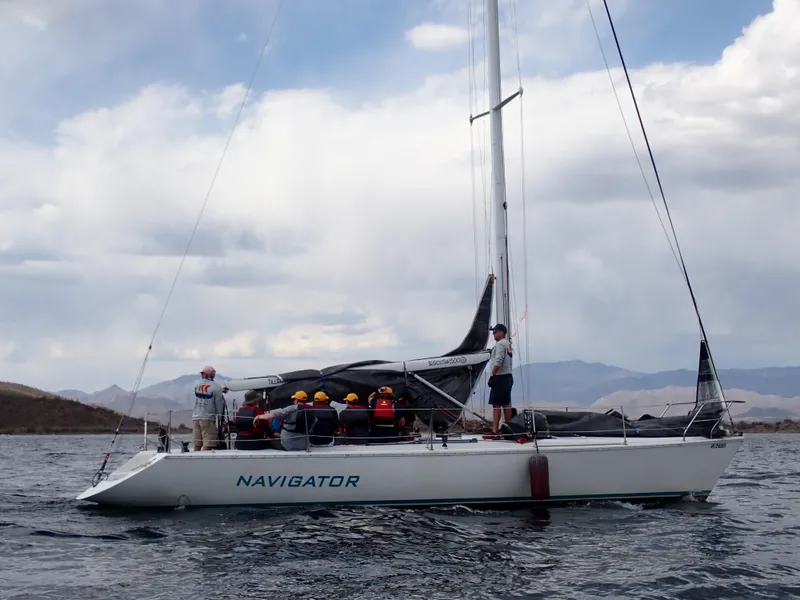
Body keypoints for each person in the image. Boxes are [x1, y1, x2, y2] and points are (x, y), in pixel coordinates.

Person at [488, 324, 514, 435]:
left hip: (500, 376)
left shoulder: (499, 345)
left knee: (497, 405)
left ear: (502, 332)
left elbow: (498, 359)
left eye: (495, 331)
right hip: (508, 376)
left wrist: (493, 374)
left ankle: (495, 430)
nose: (493, 333)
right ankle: (509, 428)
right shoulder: (508, 344)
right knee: (505, 403)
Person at [192, 365, 225, 451]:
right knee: (208, 444)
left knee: (197, 444)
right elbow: (219, 404)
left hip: (195, 417)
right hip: (208, 418)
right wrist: (220, 417)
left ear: (205, 374)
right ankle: (202, 463)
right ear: (213, 375)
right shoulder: (216, 387)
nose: (201, 375)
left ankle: (195, 462)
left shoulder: (196, 384)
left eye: (202, 373)